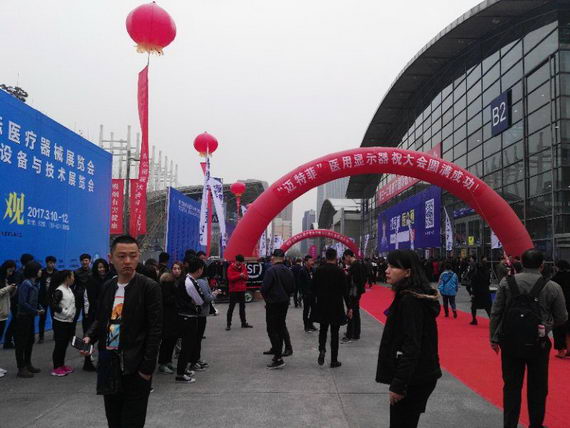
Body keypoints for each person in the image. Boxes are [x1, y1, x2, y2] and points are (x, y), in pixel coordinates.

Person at [82, 235, 162, 428]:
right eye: (122, 256)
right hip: (109, 364)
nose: (127, 261)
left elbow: (155, 330)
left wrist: (146, 369)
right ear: (111, 258)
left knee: (132, 422)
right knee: (114, 419)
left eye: (132, 256)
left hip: (135, 366)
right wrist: (89, 336)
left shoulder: (149, 287)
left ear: (138, 256)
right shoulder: (108, 286)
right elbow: (102, 318)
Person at [490, 249, 568, 428]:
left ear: (522, 263)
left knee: (511, 387)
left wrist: (494, 338)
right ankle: (535, 424)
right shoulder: (552, 287)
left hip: (510, 342)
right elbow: (562, 316)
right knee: (538, 387)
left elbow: (496, 312)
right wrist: (547, 325)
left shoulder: (506, 282)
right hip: (539, 343)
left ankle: (510, 424)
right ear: (542, 265)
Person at [376, 250, 442, 428]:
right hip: (420, 374)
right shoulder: (412, 296)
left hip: (415, 378)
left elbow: (412, 346)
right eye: (388, 266)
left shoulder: (410, 301)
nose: (387, 271)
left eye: (393, 267)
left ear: (408, 272)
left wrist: (399, 385)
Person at [312, 248, 350, 368]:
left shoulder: (319, 270)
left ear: (326, 257)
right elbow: (345, 291)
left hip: (322, 304)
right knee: (335, 333)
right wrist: (349, 307)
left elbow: (313, 288)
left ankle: (322, 349)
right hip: (336, 306)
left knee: (323, 330)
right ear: (336, 257)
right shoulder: (340, 271)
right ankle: (334, 360)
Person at [261, 249, 295, 369]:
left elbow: (264, 288)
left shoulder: (271, 271)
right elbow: (292, 288)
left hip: (273, 303)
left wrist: (267, 299)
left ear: (273, 258)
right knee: (280, 327)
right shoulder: (288, 270)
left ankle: (278, 357)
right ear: (283, 258)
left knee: (272, 329)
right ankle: (277, 351)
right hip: (284, 302)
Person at [175, 257, 205, 384]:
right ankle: (180, 373)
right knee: (187, 346)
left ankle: (183, 370)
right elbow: (200, 300)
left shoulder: (188, 280)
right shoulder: (189, 282)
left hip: (187, 315)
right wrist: (194, 301)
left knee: (188, 345)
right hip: (187, 317)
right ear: (199, 270)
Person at [15, 261, 44, 378]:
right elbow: (22, 302)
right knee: (21, 343)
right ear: (34, 271)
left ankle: (28, 364)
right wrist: (35, 311)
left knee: (30, 341)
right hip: (23, 317)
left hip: (30, 317)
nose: (41, 271)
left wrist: (39, 307)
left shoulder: (35, 283)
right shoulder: (25, 284)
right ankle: (21, 368)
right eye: (39, 269)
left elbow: (34, 301)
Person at [82, 258, 111, 372]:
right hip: (95, 313)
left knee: (105, 340)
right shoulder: (91, 280)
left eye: (103, 267)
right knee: (90, 338)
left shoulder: (111, 277)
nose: (101, 269)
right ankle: (87, 362)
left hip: (109, 313)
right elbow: (91, 299)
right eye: (99, 267)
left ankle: (103, 363)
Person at [191, 273, 221, 371]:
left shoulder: (193, 280)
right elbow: (207, 298)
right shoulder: (201, 281)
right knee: (197, 338)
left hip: (197, 312)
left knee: (196, 338)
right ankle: (194, 360)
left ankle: (196, 359)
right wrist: (215, 293)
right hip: (200, 313)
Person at [4, 254, 34, 349]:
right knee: (16, 321)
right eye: (31, 261)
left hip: (22, 301)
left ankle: (10, 340)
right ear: (28, 262)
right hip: (17, 301)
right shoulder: (19, 273)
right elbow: (16, 288)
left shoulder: (25, 272)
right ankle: (8, 341)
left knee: (16, 321)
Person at [158, 261, 183, 374]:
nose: (176, 271)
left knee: (172, 339)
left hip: (175, 315)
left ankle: (168, 361)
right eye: (174, 268)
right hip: (168, 315)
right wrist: (178, 298)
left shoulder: (179, 281)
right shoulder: (167, 282)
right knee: (167, 340)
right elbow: (166, 299)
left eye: (178, 269)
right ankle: (162, 363)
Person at [50, 270, 76, 377]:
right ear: (67, 278)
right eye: (72, 276)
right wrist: (65, 312)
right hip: (60, 322)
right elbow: (53, 305)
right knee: (59, 345)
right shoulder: (59, 290)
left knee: (64, 345)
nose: (74, 278)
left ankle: (62, 365)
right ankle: (56, 367)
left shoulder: (68, 289)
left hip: (68, 321)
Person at [342, 249, 366, 343]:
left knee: (351, 311)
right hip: (355, 292)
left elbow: (354, 283)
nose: (345, 261)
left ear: (348, 256)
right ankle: (355, 333)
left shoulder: (355, 266)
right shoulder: (357, 265)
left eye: (345, 258)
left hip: (353, 293)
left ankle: (350, 334)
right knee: (355, 312)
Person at [226, 255, 253, 330]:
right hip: (233, 290)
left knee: (242, 307)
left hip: (242, 289)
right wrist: (239, 275)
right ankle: (228, 324)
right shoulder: (230, 268)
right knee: (231, 307)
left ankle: (243, 323)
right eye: (239, 262)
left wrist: (243, 276)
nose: (240, 263)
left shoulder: (243, 267)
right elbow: (230, 278)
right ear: (236, 261)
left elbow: (247, 277)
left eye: (241, 262)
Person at [0, 260, 17, 377]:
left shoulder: (5, 280)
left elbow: (8, 296)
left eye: (12, 271)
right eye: (10, 270)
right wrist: (7, 288)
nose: (11, 273)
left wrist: (13, 290)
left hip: (4, 315)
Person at [552, 259, 570, 358]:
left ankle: (561, 351)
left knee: (559, 329)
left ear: (557, 267)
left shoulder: (554, 279)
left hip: (559, 306)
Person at [467, 257, 492, 325]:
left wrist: (472, 293)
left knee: (473, 307)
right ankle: (492, 320)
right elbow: (488, 282)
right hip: (485, 291)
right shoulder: (487, 274)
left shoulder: (475, 275)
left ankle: (474, 319)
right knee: (488, 308)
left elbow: (472, 284)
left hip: (477, 293)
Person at [38, 255, 57, 344]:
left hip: (53, 298)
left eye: (53, 263)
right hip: (43, 298)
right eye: (50, 263)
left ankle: (56, 334)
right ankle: (41, 337)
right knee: (42, 318)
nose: (52, 264)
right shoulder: (42, 272)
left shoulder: (57, 273)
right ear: (46, 263)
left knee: (55, 317)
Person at [73, 253, 92, 337]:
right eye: (83, 260)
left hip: (88, 298)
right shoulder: (76, 272)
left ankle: (86, 335)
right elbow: (72, 286)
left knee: (86, 318)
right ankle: (72, 335)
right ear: (80, 262)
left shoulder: (93, 272)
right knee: (74, 317)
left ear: (89, 261)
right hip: (78, 297)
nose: (85, 262)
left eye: (86, 260)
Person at [299, 255, 317, 332]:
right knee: (306, 310)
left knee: (314, 309)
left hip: (313, 293)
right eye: (310, 261)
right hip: (306, 294)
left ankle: (310, 323)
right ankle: (306, 326)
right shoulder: (302, 271)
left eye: (312, 260)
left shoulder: (313, 270)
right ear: (306, 262)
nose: (312, 262)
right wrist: (302, 293)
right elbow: (300, 283)